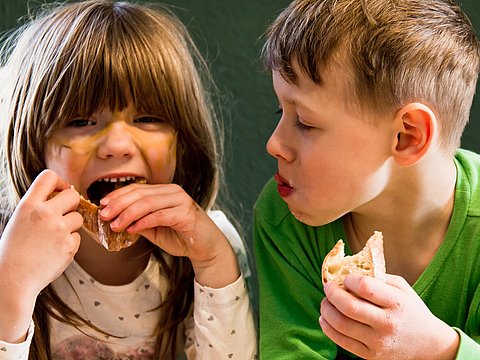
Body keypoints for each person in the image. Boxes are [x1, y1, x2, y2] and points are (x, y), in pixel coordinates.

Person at [0, 1, 257, 359]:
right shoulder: (6, 252)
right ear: (32, 147)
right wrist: (11, 286)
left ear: (183, 141)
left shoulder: (209, 247)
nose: (118, 146)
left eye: (148, 118)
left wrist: (214, 264)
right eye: (80, 122)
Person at [253, 0, 480, 358]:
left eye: (306, 122)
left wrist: (441, 350)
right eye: (281, 111)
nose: (274, 144)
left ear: (406, 135)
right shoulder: (285, 216)